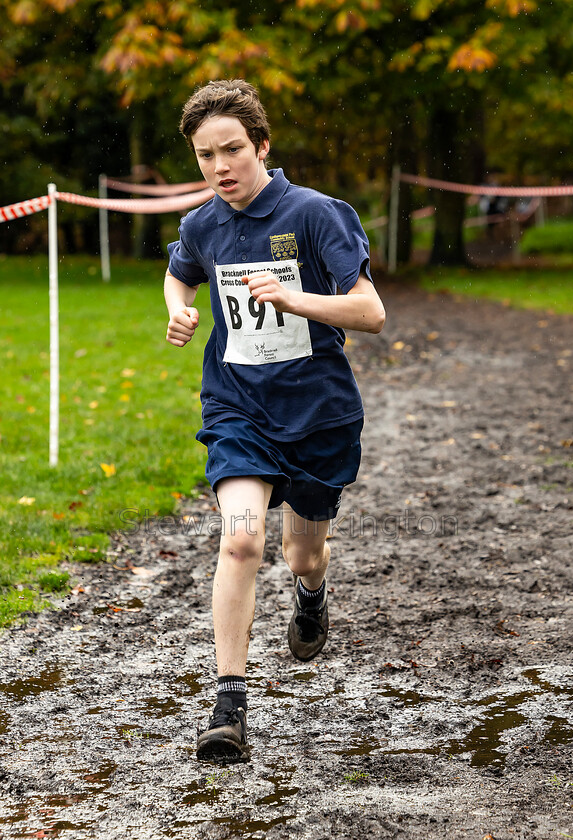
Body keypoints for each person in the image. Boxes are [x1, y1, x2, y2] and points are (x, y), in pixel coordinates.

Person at [164, 79, 386, 764]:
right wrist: (176, 307)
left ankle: (311, 596)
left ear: (261, 145)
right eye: (205, 155)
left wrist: (295, 299)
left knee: (301, 552)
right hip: (238, 408)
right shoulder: (203, 224)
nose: (219, 167)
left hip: (317, 415)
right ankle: (228, 706)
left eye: (231, 149)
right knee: (239, 542)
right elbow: (181, 273)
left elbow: (370, 311)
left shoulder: (317, 214)